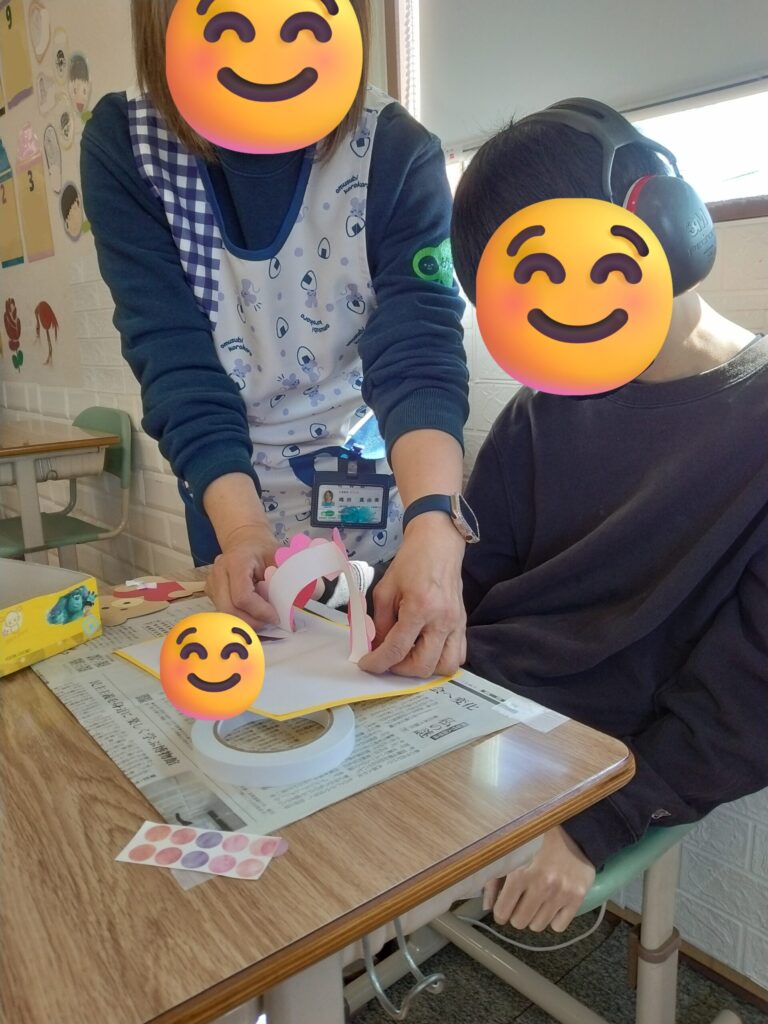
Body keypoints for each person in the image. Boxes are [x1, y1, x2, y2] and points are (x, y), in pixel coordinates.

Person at [449, 100, 768, 933]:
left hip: (588, 755)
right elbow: (470, 576)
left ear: (661, 218)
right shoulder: (541, 408)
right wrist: (372, 603)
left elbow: (747, 699)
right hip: (464, 706)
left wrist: (603, 823)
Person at [82, 0, 472, 678]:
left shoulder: (394, 150)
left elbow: (420, 356)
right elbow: (175, 362)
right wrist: (242, 531)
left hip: (375, 488)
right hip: (231, 491)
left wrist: (436, 524)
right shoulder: (133, 149)